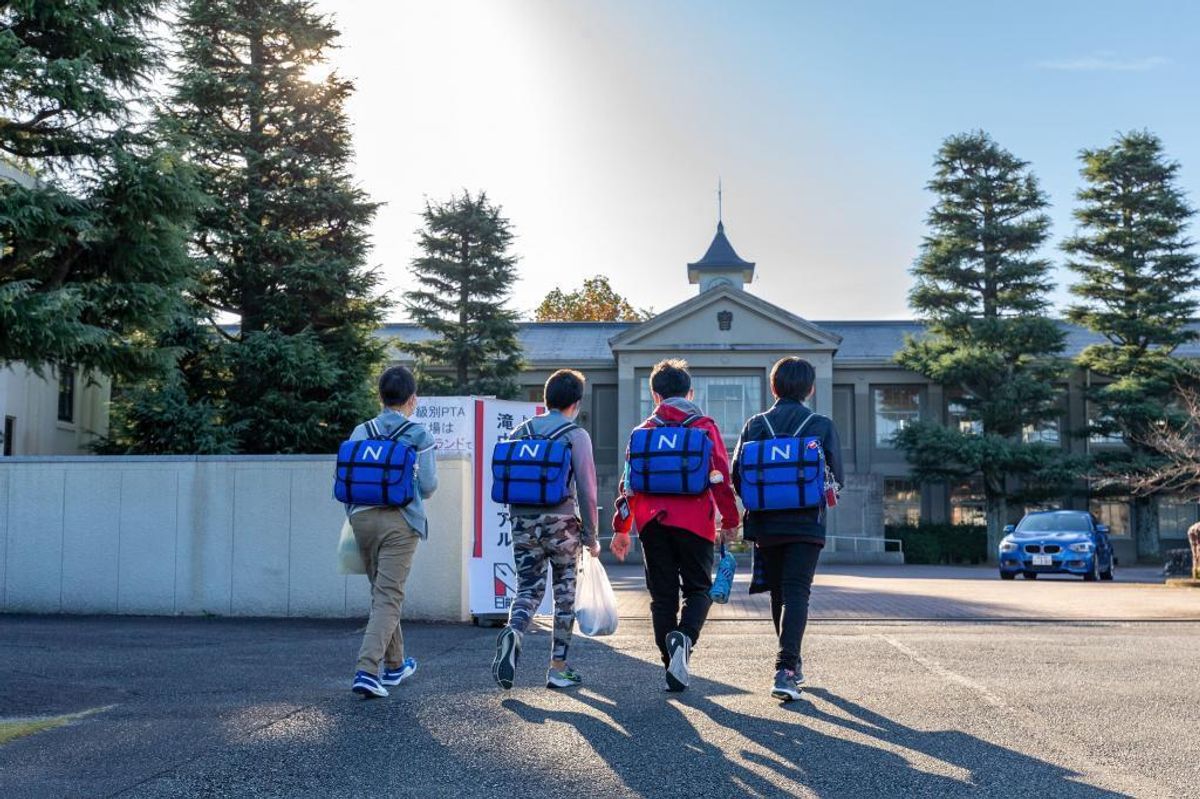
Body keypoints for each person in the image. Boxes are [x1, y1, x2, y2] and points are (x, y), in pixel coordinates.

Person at [610, 359, 740, 692]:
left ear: (655, 395)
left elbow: (629, 485)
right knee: (698, 589)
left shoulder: (642, 433)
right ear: (690, 392)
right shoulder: (705, 427)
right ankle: (684, 637)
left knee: (661, 597)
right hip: (695, 521)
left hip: (652, 522)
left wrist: (622, 528)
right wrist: (730, 519)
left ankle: (672, 666)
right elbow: (720, 477)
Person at [731, 357, 843, 702]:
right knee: (797, 593)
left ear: (773, 386)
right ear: (810, 388)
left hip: (766, 524)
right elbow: (838, 479)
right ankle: (786, 668)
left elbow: (738, 476)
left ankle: (790, 662)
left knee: (779, 594)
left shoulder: (756, 424)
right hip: (807, 523)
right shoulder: (820, 425)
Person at [492, 369, 600, 690]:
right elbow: (587, 490)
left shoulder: (519, 432)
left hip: (522, 521)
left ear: (545, 399)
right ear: (576, 403)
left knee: (528, 588)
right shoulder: (575, 435)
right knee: (564, 593)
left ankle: (514, 630)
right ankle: (558, 667)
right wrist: (591, 536)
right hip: (562, 522)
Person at [345, 365, 438, 698]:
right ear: (412, 399)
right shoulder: (419, 435)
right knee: (388, 596)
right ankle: (367, 670)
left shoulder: (360, 431)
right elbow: (428, 486)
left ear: (380, 396)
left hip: (362, 519)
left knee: (383, 593)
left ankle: (396, 665)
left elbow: (349, 479)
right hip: (401, 521)